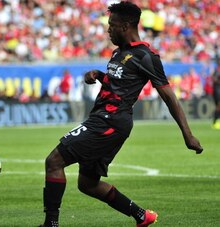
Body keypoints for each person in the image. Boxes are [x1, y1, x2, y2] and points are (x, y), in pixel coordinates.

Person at [39, 2, 203, 227]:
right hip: (103, 119)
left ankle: (51, 224)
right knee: (87, 184)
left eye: (112, 25)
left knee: (54, 161)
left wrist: (188, 135)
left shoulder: (146, 56)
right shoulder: (119, 53)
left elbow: (169, 97)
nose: (108, 30)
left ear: (126, 26)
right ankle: (141, 215)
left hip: (110, 122)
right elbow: (118, 83)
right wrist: (99, 75)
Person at [212, 50, 220, 129]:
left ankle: (216, 121)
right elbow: (214, 79)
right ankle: (215, 122)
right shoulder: (217, 69)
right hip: (217, 89)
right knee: (218, 106)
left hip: (217, 89)